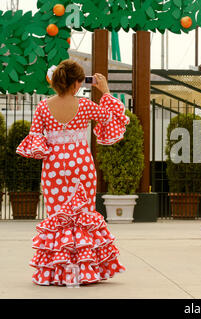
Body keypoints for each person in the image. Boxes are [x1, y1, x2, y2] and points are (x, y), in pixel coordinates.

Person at [16, 59, 129, 285]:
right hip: (82, 167)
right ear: (77, 84)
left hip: (54, 169)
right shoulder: (85, 105)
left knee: (58, 217)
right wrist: (104, 90)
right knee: (83, 216)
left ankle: (58, 272)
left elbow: (36, 140)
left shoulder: (42, 107)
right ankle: (85, 271)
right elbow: (113, 116)